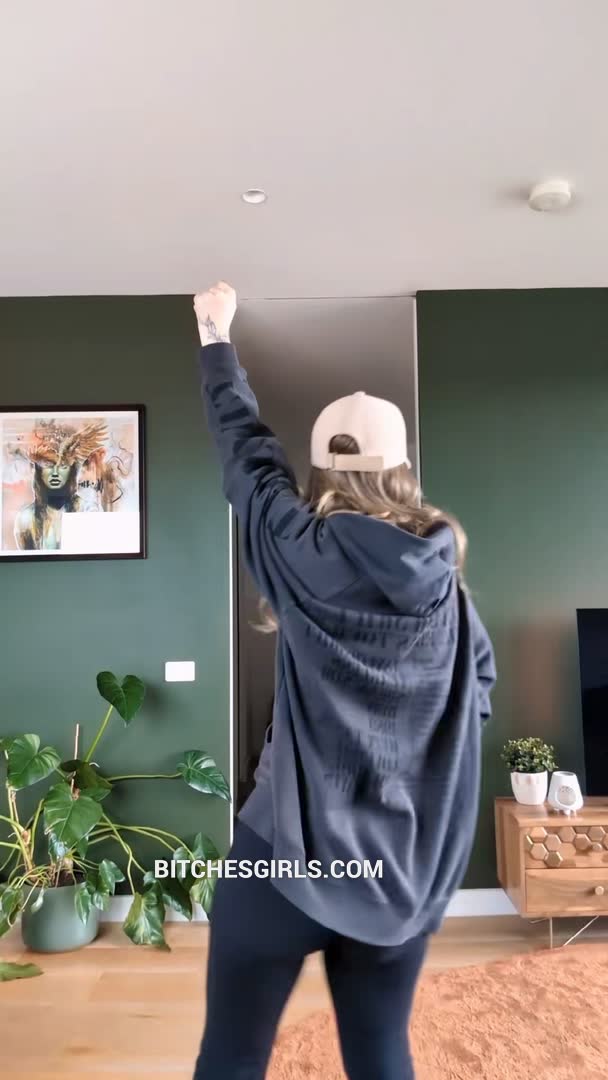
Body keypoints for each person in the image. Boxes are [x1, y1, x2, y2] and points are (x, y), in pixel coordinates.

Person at [192, 281, 496, 1080]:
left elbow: (245, 452)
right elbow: (480, 689)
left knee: (231, 1055)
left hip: (283, 859)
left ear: (322, 466)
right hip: (397, 872)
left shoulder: (295, 547)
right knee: (380, 1053)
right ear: (401, 469)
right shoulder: (446, 588)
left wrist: (216, 335)